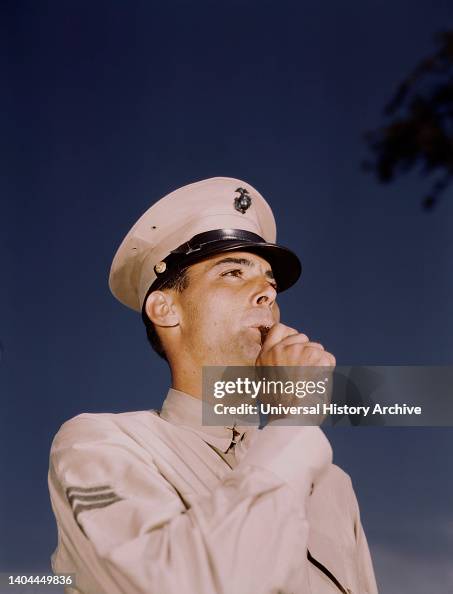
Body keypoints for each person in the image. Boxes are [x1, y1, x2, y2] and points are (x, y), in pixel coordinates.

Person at [48, 177, 378, 594]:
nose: (266, 292)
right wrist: (294, 419)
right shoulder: (100, 445)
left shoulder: (331, 485)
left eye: (270, 281)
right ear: (165, 309)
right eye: (234, 273)